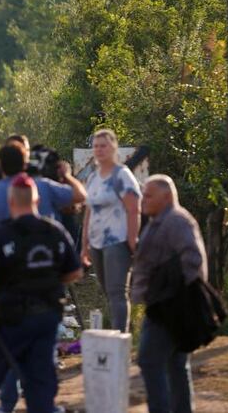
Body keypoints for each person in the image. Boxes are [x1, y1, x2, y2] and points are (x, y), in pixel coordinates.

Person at [0, 174, 83, 413]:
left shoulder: (3, 234)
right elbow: (75, 272)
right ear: (36, 200)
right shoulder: (54, 231)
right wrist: (50, 279)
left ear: (11, 202)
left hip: (10, 319)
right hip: (47, 318)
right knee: (40, 381)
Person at [134, 175, 207, 413]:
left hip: (169, 308)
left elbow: (193, 261)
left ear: (166, 197)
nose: (143, 200)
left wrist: (176, 296)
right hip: (164, 304)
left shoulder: (176, 221)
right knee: (176, 364)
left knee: (149, 359)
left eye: (148, 195)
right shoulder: (158, 221)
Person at [0, 143, 87, 268]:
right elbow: (81, 196)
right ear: (25, 163)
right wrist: (66, 176)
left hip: (8, 266)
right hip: (46, 262)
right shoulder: (44, 186)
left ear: (0, 165)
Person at [80, 129, 140, 332]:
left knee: (117, 292)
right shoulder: (93, 178)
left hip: (118, 241)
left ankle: (119, 341)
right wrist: (84, 246)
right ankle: (122, 333)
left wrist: (132, 240)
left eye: (103, 145)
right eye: (96, 146)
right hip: (96, 242)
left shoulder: (122, 175)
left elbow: (134, 208)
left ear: (113, 147)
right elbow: (88, 213)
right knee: (108, 292)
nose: (99, 150)